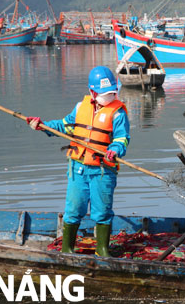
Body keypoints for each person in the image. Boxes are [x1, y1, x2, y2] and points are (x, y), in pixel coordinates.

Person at [26, 66, 130, 256]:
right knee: (73, 210)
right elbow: (64, 126)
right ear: (92, 92)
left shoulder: (118, 113)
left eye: (112, 92)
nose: (110, 96)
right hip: (78, 170)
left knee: (102, 212)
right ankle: (67, 250)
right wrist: (43, 126)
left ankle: (102, 250)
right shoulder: (81, 107)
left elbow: (122, 138)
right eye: (105, 93)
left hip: (103, 171)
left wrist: (114, 150)